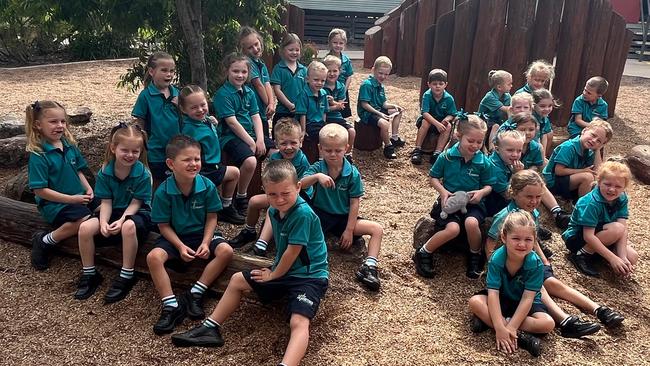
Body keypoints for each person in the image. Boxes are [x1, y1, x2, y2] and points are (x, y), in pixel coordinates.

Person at [171, 160, 328, 366]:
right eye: (272, 194)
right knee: (237, 280)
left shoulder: (302, 214)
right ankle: (210, 327)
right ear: (265, 191)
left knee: (298, 321)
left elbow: (292, 252)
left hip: (309, 276)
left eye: (285, 193)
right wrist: (274, 270)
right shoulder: (273, 211)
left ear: (298, 187)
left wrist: (273, 274)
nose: (279, 200)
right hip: (284, 270)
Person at [485, 170, 620, 338]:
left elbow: (532, 239)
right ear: (514, 193)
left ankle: (598, 310)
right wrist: (494, 265)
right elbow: (490, 241)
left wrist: (542, 258)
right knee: (542, 286)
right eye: (529, 197)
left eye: (538, 197)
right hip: (510, 263)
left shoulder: (532, 213)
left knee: (554, 284)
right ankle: (565, 320)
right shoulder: (506, 216)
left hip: (527, 257)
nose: (534, 201)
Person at [146, 136, 233, 335]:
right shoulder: (163, 191)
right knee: (153, 257)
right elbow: (163, 225)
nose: (193, 164)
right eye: (187, 160)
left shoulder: (207, 185)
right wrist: (179, 247)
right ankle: (170, 305)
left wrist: (205, 242)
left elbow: (212, 217)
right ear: (171, 163)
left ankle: (196, 292)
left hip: (202, 234)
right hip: (175, 236)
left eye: (197, 159)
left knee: (226, 251)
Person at [301, 124, 384, 291]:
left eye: (337, 150)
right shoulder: (318, 168)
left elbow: (355, 202)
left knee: (377, 229)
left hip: (343, 218)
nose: (333, 154)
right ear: (320, 149)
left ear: (346, 148)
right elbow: (300, 185)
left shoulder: (352, 173)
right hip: (320, 215)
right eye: (328, 150)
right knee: (304, 238)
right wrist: (317, 177)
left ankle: (369, 266)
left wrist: (349, 229)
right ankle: (305, 268)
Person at [75, 123, 152, 303]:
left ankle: (127, 274)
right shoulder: (105, 172)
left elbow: (136, 203)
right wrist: (103, 222)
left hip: (138, 212)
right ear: (113, 148)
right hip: (114, 209)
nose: (130, 155)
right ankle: (89, 273)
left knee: (128, 227)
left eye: (135, 151)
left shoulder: (143, 174)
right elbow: (106, 202)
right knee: (85, 228)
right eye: (125, 150)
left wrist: (123, 219)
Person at [413, 114, 496, 279]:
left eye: (479, 142)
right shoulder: (446, 157)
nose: (475, 145)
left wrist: (481, 193)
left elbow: (489, 185)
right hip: (449, 201)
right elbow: (433, 178)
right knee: (453, 229)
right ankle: (423, 252)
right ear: (458, 136)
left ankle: (474, 255)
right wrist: (443, 192)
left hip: (472, 203)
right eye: (470, 141)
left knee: (471, 223)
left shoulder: (483, 162)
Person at [468, 211, 555, 357]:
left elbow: (528, 298)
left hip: (523, 301)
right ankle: (521, 338)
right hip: (502, 297)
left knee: (547, 324)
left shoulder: (536, 264)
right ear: (504, 237)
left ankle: (491, 323)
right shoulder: (496, 258)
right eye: (516, 238)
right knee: (475, 302)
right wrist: (501, 328)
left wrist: (511, 326)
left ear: (534, 240)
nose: (522, 244)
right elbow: (493, 293)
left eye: (528, 239)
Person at [27, 100, 99, 271]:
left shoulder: (69, 145)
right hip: (55, 205)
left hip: (78, 198)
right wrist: (71, 199)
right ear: (38, 125)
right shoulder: (38, 154)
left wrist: (88, 188)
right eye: (53, 122)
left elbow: (79, 170)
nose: (59, 126)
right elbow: (40, 190)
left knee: (106, 207)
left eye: (62, 121)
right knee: (84, 221)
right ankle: (45, 241)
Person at [229, 118, 312, 253]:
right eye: (283, 143)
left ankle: (262, 244)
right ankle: (249, 231)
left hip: (299, 196)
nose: (289, 147)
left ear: (300, 142)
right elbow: (269, 179)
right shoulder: (275, 158)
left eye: (293, 142)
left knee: (273, 207)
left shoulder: (302, 161)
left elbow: (301, 186)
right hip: (278, 193)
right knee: (254, 201)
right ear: (276, 143)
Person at [178, 84, 244, 225]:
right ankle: (223, 208)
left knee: (233, 174)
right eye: (194, 107)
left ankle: (224, 206)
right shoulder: (189, 128)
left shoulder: (205, 120)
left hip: (214, 163)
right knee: (233, 174)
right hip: (205, 167)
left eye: (203, 105)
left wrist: (213, 123)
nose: (200, 110)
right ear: (183, 109)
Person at [214, 52, 270, 215]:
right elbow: (232, 123)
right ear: (227, 71)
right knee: (250, 161)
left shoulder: (249, 92)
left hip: (251, 134)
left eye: (244, 72)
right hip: (230, 136)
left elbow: (256, 116)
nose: (240, 75)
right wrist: (252, 143)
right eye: (235, 71)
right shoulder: (223, 94)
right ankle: (241, 197)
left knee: (276, 153)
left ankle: (273, 189)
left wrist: (260, 139)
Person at [563, 161, 638, 278]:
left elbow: (623, 228)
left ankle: (597, 256)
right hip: (578, 238)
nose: (612, 190)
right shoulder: (591, 202)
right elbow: (588, 236)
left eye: (618, 186)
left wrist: (622, 257)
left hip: (604, 234)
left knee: (632, 257)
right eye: (608, 184)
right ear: (599, 182)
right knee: (616, 229)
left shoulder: (622, 198)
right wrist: (612, 258)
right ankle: (581, 255)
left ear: (624, 188)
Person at [132, 51, 179, 191]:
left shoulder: (177, 93)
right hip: (156, 151)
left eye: (172, 71)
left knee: (177, 182)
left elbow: (190, 114)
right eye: (164, 70)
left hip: (177, 149)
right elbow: (139, 122)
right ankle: (155, 210)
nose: (169, 74)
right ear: (152, 71)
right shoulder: (146, 96)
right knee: (158, 184)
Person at [543, 119, 611, 201]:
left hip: (568, 179)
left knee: (599, 180)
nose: (594, 140)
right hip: (553, 182)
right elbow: (559, 171)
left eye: (599, 141)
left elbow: (598, 172)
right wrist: (582, 171)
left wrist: (597, 150)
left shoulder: (589, 150)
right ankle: (581, 207)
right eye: (593, 135)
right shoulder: (569, 147)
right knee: (587, 177)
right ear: (584, 131)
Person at [357, 56, 405, 159]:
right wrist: (380, 114)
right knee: (384, 124)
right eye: (380, 73)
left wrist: (394, 106)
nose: (383, 76)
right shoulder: (367, 85)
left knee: (398, 112)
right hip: (367, 113)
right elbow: (364, 105)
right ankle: (388, 147)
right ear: (373, 70)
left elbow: (383, 104)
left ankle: (395, 138)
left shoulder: (380, 86)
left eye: (386, 74)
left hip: (378, 110)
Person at [410, 68, 457, 165]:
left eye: (441, 84)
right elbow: (425, 113)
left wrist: (446, 119)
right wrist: (437, 124)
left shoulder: (448, 98)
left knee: (448, 126)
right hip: (430, 121)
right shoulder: (427, 95)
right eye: (434, 84)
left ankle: (437, 152)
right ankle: (417, 149)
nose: (438, 86)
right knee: (425, 122)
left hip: (441, 123)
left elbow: (452, 113)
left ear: (445, 84)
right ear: (429, 84)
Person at [239, 26, 275, 139]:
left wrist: (271, 103)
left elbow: (267, 83)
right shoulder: (248, 63)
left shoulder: (261, 63)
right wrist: (267, 105)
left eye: (256, 44)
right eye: (250, 47)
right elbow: (258, 85)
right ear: (244, 50)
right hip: (254, 111)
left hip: (263, 111)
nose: (255, 49)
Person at [484, 130, 525, 217]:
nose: (515, 154)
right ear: (497, 149)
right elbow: (507, 195)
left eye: (519, 151)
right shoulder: (495, 168)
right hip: (493, 204)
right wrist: (516, 175)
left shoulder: (506, 160)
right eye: (510, 150)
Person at [271, 33, 307, 127]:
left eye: (297, 50)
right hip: (283, 111)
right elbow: (277, 90)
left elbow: (306, 89)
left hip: (300, 111)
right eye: (291, 50)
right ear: (283, 50)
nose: (294, 52)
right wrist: (289, 105)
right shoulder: (278, 68)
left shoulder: (303, 70)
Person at [322, 55, 355, 158]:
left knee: (351, 131)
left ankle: (347, 154)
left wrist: (332, 103)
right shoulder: (320, 86)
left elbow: (342, 106)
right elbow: (321, 108)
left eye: (335, 71)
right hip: (324, 118)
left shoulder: (340, 86)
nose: (332, 74)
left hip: (337, 117)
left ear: (339, 71)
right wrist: (335, 105)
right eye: (329, 71)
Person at [478, 70, 512, 152]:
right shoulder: (490, 97)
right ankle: (491, 148)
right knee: (496, 126)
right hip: (483, 120)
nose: (511, 86)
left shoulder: (507, 96)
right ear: (499, 87)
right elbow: (507, 109)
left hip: (496, 120)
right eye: (509, 84)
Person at [295, 60, 329, 142]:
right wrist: (303, 130)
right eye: (316, 80)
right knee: (317, 136)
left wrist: (324, 125)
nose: (319, 83)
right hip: (308, 123)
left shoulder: (323, 93)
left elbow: (324, 111)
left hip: (319, 122)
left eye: (323, 81)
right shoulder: (303, 94)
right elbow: (303, 115)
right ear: (307, 79)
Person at [326, 28, 353, 119]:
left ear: (344, 44)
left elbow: (349, 76)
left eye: (341, 43)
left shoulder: (346, 60)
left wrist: (344, 90)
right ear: (330, 42)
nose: (338, 45)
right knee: (328, 109)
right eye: (335, 42)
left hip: (342, 89)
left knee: (342, 111)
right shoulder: (326, 60)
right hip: (329, 89)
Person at [531, 88, 558, 158]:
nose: (547, 109)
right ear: (533, 105)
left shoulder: (544, 117)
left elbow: (544, 135)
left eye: (550, 106)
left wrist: (543, 155)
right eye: (542, 106)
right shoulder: (530, 119)